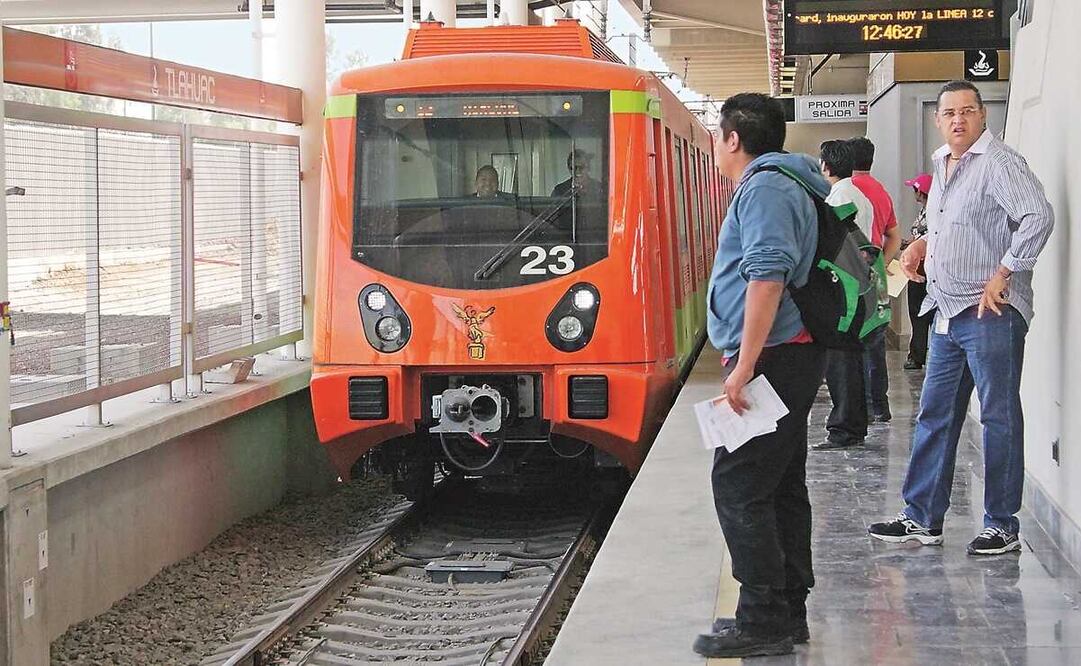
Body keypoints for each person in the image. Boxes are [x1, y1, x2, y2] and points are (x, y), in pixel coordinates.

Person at [868, 81, 1054, 556]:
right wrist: (919, 244)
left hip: (990, 311)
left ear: (982, 115)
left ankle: (1001, 523)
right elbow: (947, 221)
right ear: (938, 119)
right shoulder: (942, 164)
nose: (958, 120)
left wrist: (1006, 271)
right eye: (949, 112)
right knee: (935, 415)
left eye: (967, 111)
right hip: (947, 309)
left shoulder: (999, 163)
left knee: (997, 416)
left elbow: (1038, 216)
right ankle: (922, 517)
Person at [693, 93, 828, 659]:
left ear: (731, 139)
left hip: (773, 355)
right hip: (785, 353)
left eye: (716, 136)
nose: (715, 147)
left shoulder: (767, 186)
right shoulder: (779, 181)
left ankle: (763, 616)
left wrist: (744, 364)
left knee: (739, 484)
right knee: (778, 484)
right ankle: (787, 608)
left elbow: (767, 276)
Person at [815, 140, 873, 450]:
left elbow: (831, 244)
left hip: (844, 291)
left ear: (826, 165)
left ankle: (844, 429)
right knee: (849, 360)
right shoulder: (859, 195)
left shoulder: (839, 197)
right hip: (856, 287)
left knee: (841, 363)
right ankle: (853, 425)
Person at [849, 137, 901, 422]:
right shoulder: (880, 191)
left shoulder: (847, 189)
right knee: (876, 343)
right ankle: (880, 406)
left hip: (854, 278)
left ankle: (863, 408)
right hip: (877, 275)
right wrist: (882, 261)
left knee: (854, 345)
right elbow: (894, 235)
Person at [902, 173, 934, 369]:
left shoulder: (931, 213)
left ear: (921, 192)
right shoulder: (925, 211)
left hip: (922, 268)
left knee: (918, 311)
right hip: (919, 264)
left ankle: (917, 354)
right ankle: (918, 352)